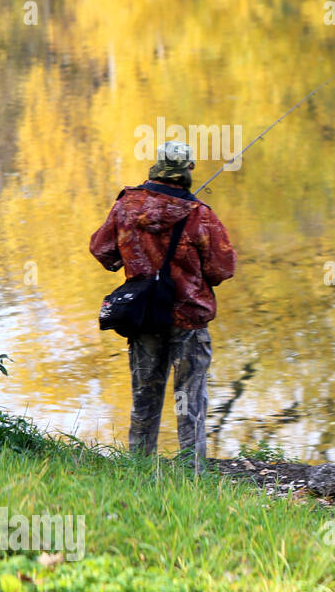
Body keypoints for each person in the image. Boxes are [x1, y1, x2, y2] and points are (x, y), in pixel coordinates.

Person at [89, 141, 237, 469]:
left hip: (143, 316)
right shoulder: (200, 214)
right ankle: (193, 476)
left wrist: (133, 258)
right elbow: (222, 269)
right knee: (190, 402)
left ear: (156, 167)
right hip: (188, 319)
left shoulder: (126, 206)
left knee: (144, 399)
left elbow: (102, 251)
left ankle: (138, 470)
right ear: (187, 172)